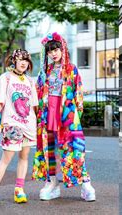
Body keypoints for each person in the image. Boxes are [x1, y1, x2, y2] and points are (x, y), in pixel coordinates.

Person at [32, 32, 96, 201]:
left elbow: (78, 93)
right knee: (49, 148)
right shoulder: (44, 71)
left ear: (63, 49)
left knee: (74, 148)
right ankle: (52, 183)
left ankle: (85, 183)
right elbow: (38, 93)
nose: (53, 53)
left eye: (56, 49)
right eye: (50, 51)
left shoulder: (71, 69)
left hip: (67, 114)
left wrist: (75, 116)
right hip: (47, 113)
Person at [0, 49, 38, 205]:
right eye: (21, 59)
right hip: (12, 124)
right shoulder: (6, 78)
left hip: (28, 125)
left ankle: (19, 190)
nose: (24, 63)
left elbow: (34, 105)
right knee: (6, 159)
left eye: (26, 60)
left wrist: (39, 123)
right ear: (14, 61)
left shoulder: (30, 81)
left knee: (24, 157)